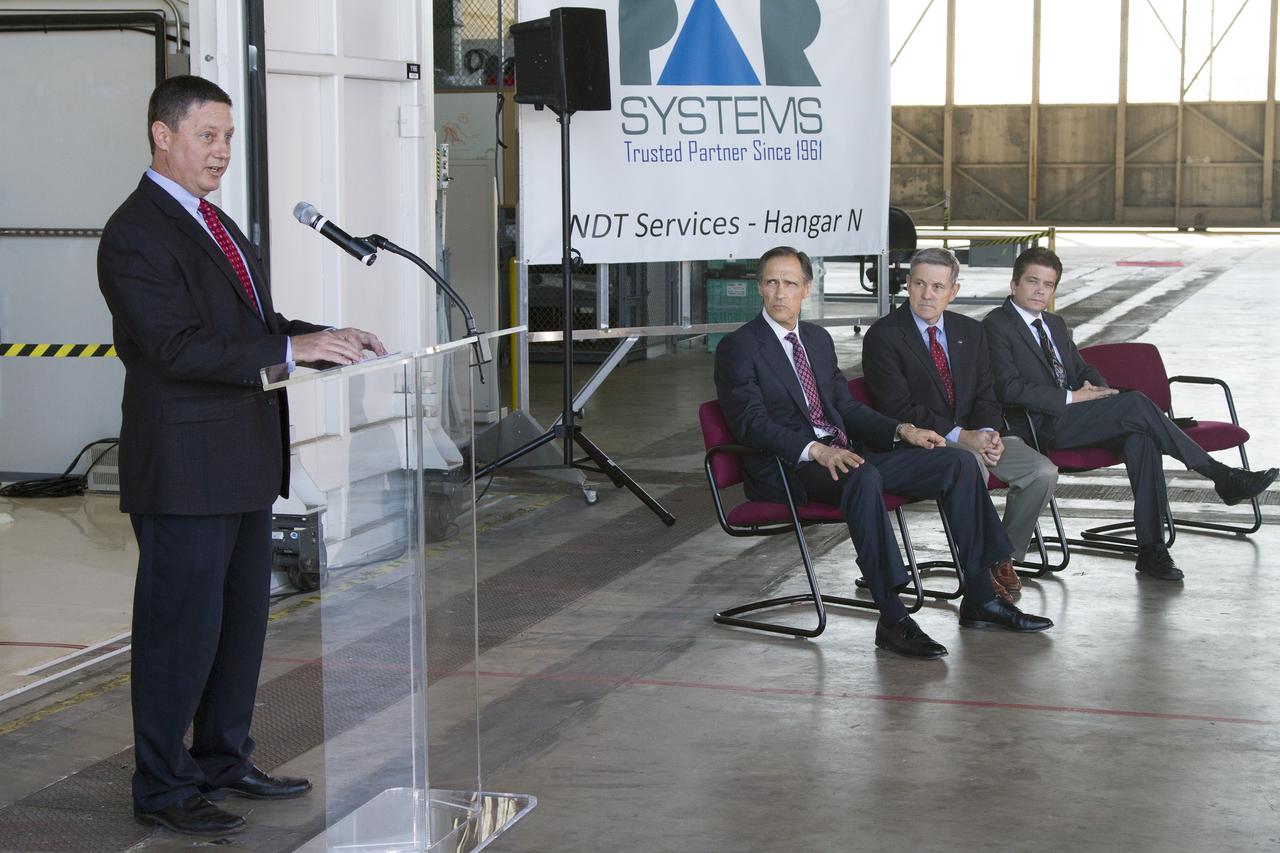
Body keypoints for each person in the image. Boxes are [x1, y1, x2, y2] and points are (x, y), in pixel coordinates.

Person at [98, 75, 386, 837]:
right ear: (162, 135)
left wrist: (321, 338)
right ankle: (162, 786)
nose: (223, 150)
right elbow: (174, 346)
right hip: (185, 470)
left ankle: (223, 758)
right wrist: (287, 347)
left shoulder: (216, 223)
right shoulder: (136, 233)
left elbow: (252, 324)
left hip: (245, 460)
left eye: (228, 136)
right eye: (208, 136)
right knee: (178, 633)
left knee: (237, 626)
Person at [713, 246, 1052, 660]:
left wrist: (903, 430)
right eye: (771, 282)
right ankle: (892, 617)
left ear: (806, 288)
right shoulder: (740, 347)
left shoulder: (816, 340)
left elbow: (849, 409)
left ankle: (981, 597)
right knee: (864, 476)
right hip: (792, 469)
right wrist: (815, 449)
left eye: (789, 283)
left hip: (846, 457)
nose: (780, 292)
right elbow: (750, 421)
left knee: (959, 462)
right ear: (759, 289)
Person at [983, 246, 1276, 581]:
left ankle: (1152, 550)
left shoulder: (1054, 323)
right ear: (1013, 284)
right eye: (1032, 281)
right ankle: (1221, 476)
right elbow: (1008, 388)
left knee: (1141, 437)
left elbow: (1083, 369)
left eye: (1048, 285)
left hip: (1077, 416)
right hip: (1039, 425)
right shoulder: (997, 325)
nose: (1039, 290)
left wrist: (1098, 388)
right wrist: (1071, 397)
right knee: (1136, 403)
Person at [863, 247, 1058, 598]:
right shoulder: (885, 335)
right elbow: (897, 406)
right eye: (919, 283)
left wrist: (987, 432)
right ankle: (981, 564)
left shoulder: (970, 330)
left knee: (1042, 472)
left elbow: (986, 391)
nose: (927, 294)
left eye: (938, 286)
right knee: (971, 467)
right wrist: (961, 436)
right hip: (924, 441)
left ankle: (1003, 556)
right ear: (906, 284)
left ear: (953, 291)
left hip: (974, 434)